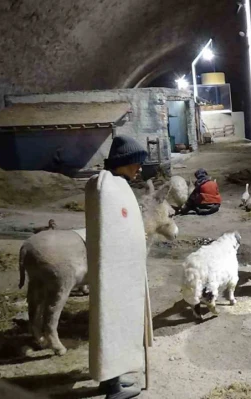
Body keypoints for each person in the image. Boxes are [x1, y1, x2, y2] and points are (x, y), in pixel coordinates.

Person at [92, 135, 149, 399]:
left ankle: (110, 378)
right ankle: (113, 388)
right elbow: (111, 234)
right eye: (136, 162)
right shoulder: (110, 189)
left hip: (118, 272)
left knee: (115, 322)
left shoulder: (108, 185)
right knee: (114, 323)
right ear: (124, 161)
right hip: (115, 273)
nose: (140, 167)